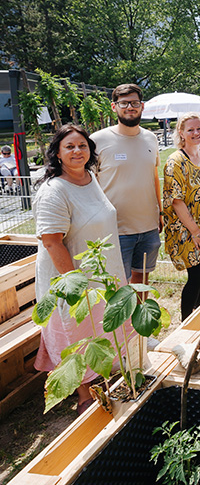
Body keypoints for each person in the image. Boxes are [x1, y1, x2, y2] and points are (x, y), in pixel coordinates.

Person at [32, 124, 128, 414]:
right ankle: (84, 393)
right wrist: (75, 283)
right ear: (57, 154)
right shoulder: (54, 190)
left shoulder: (89, 177)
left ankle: (104, 375)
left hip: (99, 272)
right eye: (69, 147)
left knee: (98, 326)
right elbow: (51, 242)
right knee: (76, 330)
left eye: (82, 146)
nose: (77, 151)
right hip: (71, 277)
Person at [91, 84, 162, 286]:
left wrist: (160, 211)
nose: (130, 107)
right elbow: (90, 182)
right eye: (124, 103)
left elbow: (154, 177)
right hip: (114, 229)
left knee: (142, 282)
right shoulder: (97, 140)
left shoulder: (151, 138)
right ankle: (122, 320)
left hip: (148, 227)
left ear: (142, 106)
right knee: (116, 286)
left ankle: (140, 319)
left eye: (134, 102)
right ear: (114, 107)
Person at [162, 114, 200, 320]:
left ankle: (198, 316)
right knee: (195, 276)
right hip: (188, 230)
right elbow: (176, 201)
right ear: (181, 132)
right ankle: (186, 321)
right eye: (190, 130)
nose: (196, 133)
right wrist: (195, 232)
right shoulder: (176, 161)